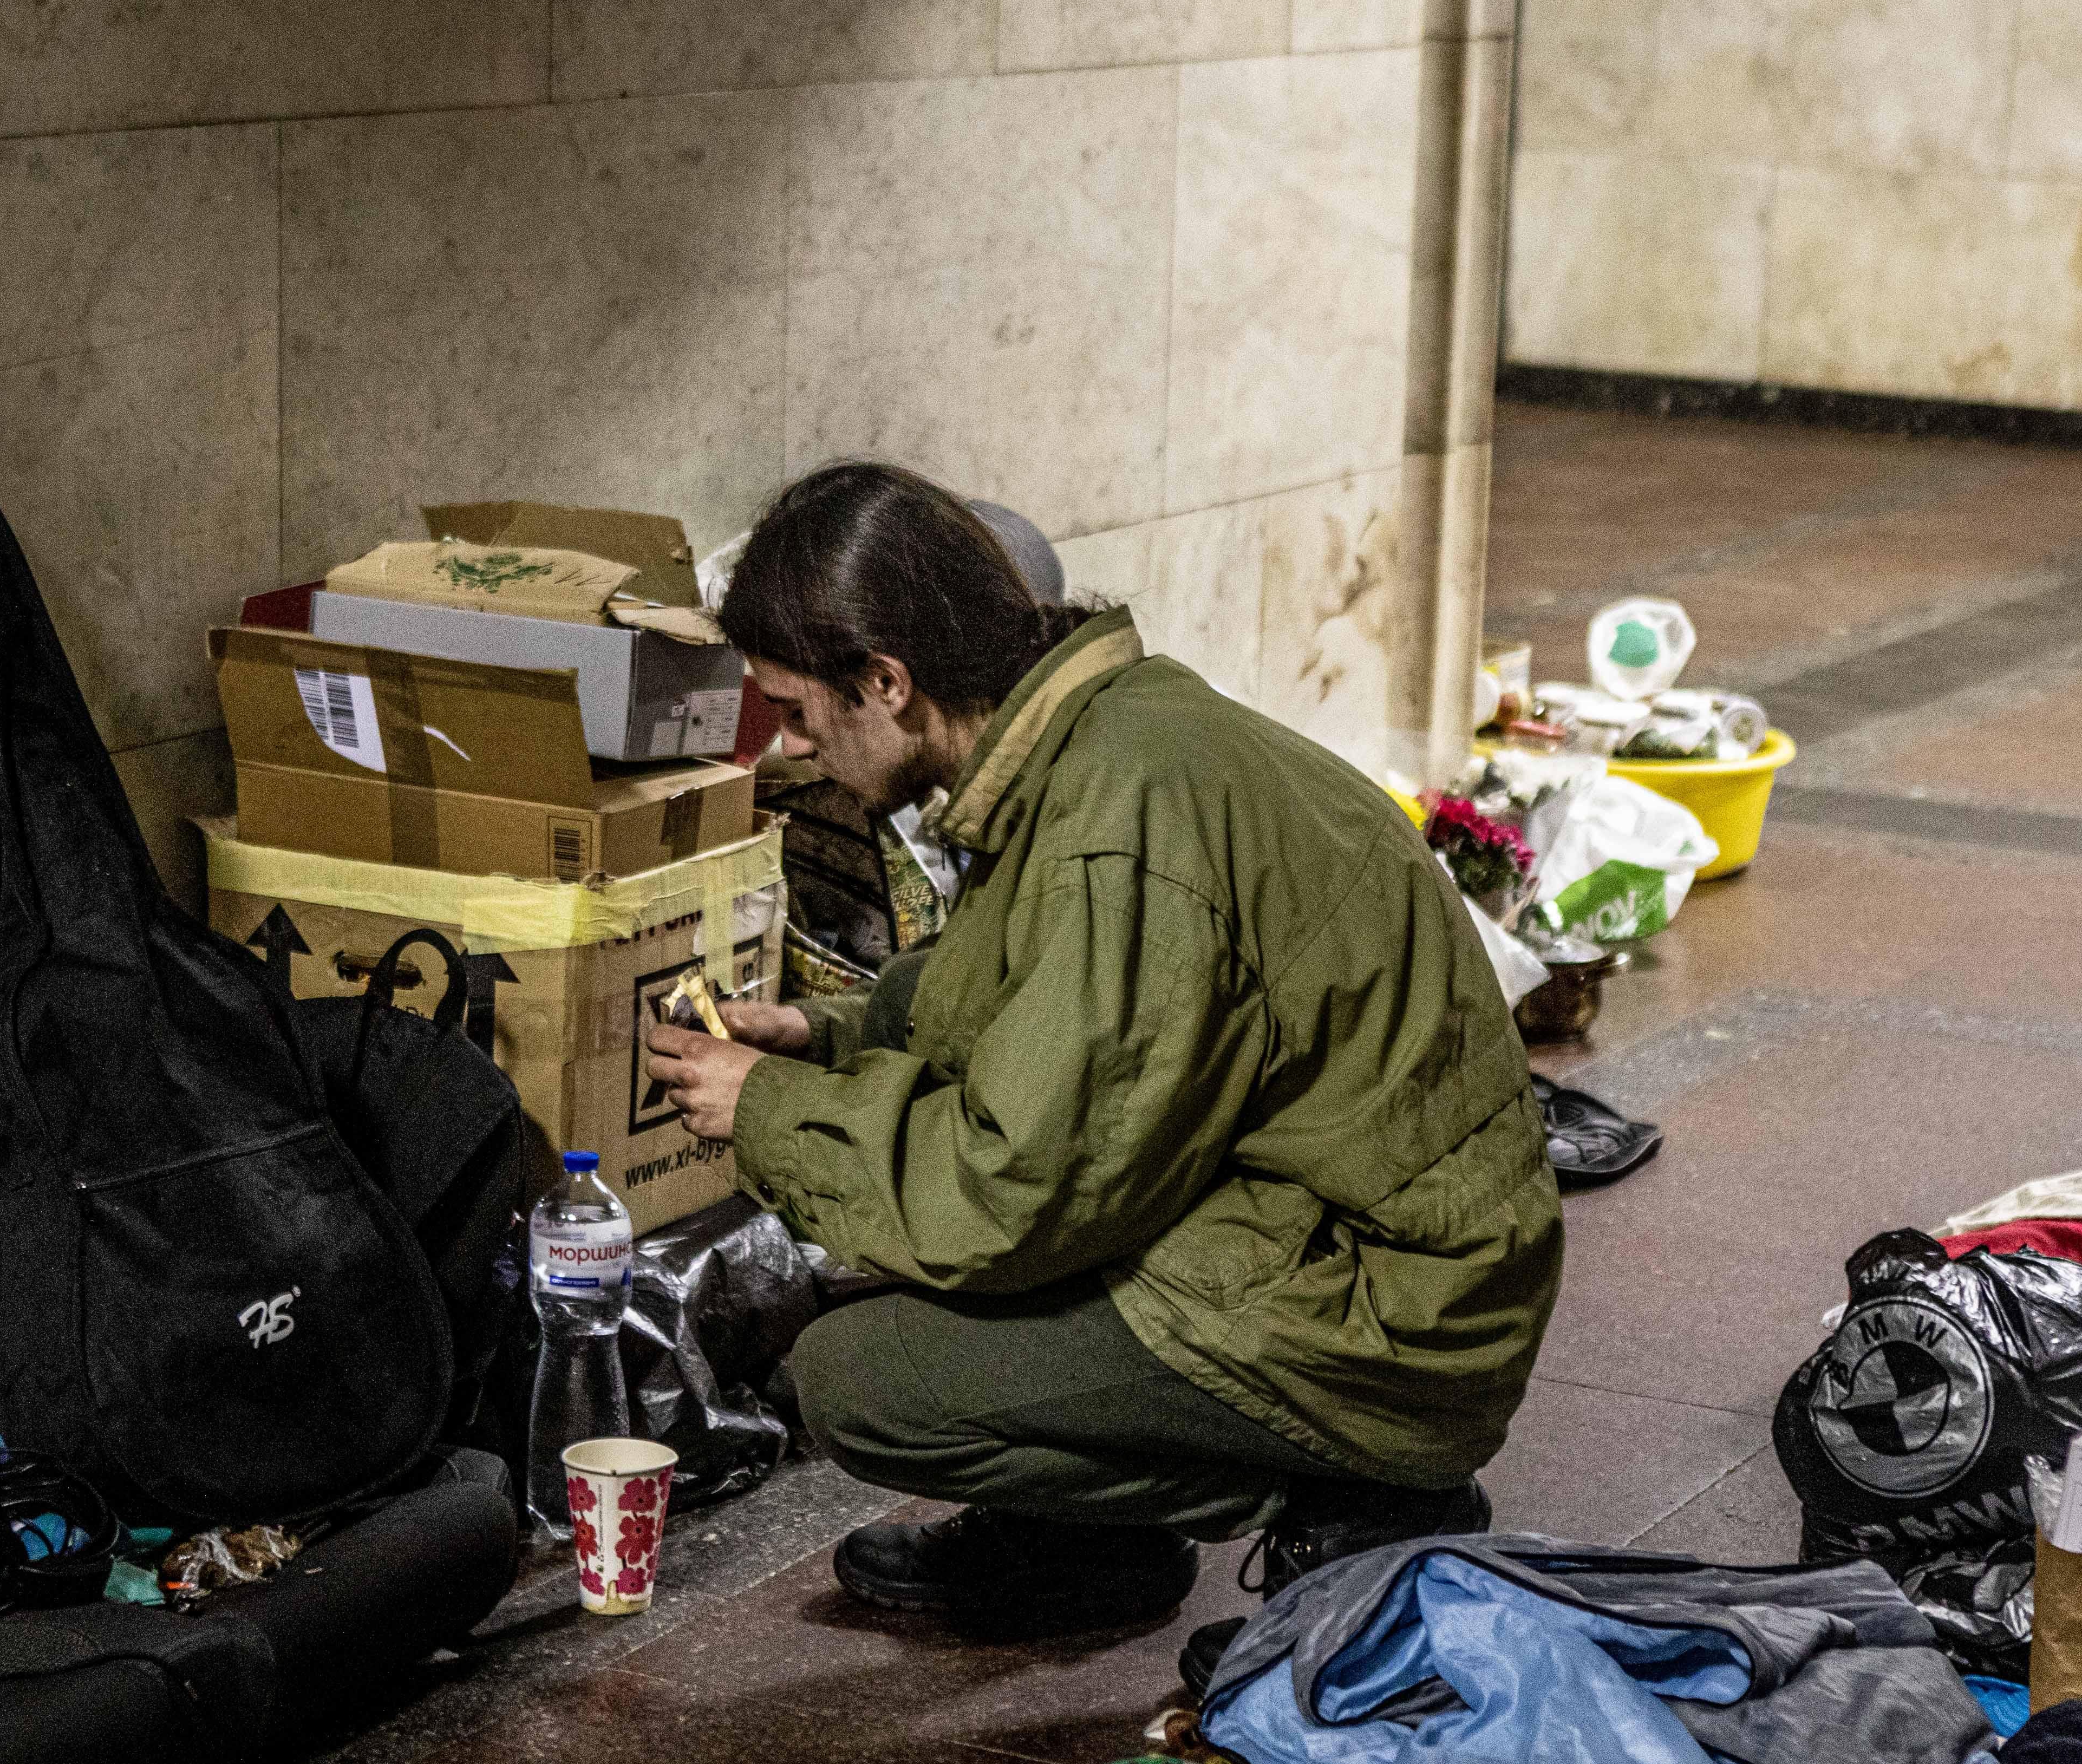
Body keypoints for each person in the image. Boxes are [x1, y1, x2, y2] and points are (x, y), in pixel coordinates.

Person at [644, 463, 1559, 1634]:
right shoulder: (1103, 733)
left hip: (1395, 1313)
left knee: (860, 1380)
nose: (790, 744)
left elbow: (1015, 1186)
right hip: (1343, 1228)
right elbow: (1031, 1009)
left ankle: (1356, 1495)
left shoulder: (1116, 818)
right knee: (913, 1193)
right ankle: (1091, 1536)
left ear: (886, 682)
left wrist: (770, 1109)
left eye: (797, 712)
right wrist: (824, 1036)